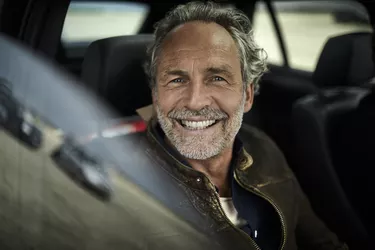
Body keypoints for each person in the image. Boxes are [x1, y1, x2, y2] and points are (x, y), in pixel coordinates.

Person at [140, 1, 348, 249]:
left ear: (247, 95)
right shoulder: (125, 184)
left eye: (217, 78)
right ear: (155, 96)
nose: (195, 102)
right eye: (176, 79)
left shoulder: (262, 148)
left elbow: (322, 243)